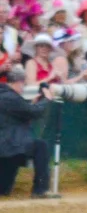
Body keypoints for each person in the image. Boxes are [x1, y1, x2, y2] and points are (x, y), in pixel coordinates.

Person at [0, 66, 58, 198]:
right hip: (11, 146)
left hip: (7, 148)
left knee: (3, 190)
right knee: (40, 146)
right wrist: (47, 99)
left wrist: (32, 104)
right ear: (19, 82)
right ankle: (40, 190)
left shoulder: (4, 95)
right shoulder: (11, 97)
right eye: (24, 84)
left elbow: (18, 113)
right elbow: (34, 112)